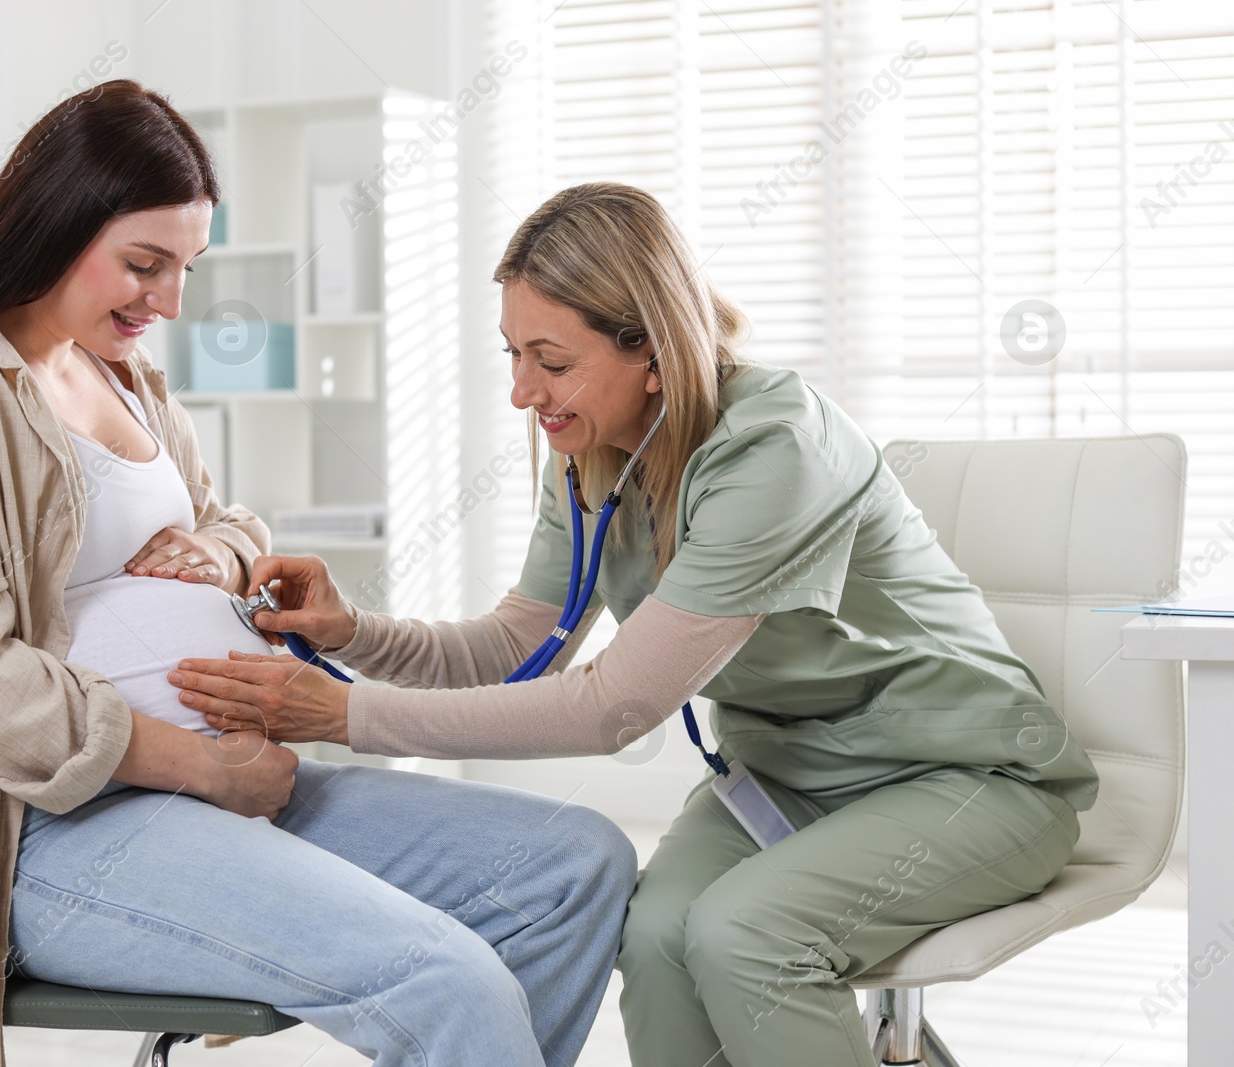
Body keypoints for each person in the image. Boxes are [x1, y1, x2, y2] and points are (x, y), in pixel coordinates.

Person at [171, 182, 1101, 1067]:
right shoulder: (590, 457)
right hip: (790, 777)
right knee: (653, 936)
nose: (523, 394)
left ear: (654, 351)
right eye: (513, 354)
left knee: (748, 935)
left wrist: (341, 716)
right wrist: (349, 633)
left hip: (968, 780)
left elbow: (616, 708)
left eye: (554, 361)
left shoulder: (775, 449)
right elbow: (514, 648)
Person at [0, 80, 635, 1067]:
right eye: (144, 264)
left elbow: (219, 522)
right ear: (51, 224)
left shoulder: (127, 379)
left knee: (576, 864)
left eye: (187, 267)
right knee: (449, 982)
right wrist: (206, 765)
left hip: (224, 791)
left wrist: (227, 550)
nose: (170, 302)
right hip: (44, 832)